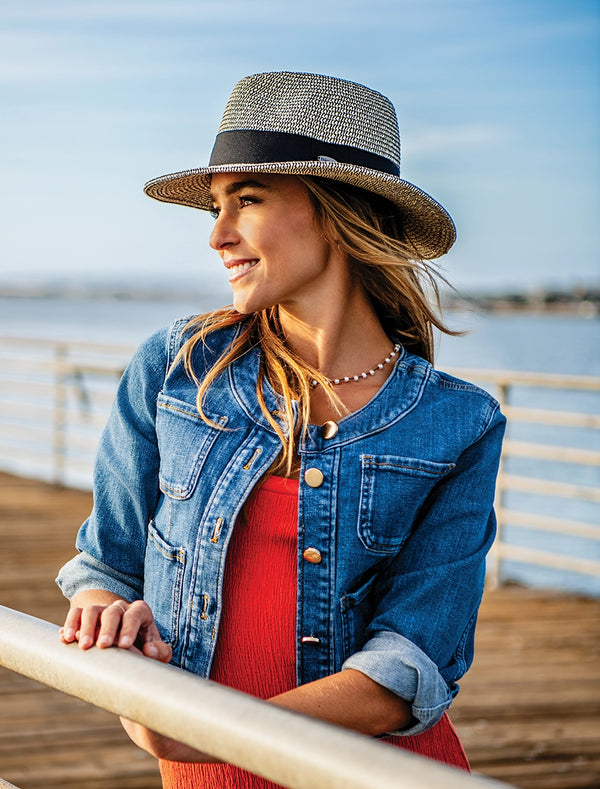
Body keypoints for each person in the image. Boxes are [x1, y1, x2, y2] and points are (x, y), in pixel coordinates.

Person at [57, 71, 506, 787]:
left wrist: (199, 734)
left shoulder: (459, 422)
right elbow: (104, 566)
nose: (217, 235)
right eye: (214, 205)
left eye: (248, 200)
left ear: (335, 212)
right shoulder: (175, 370)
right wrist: (109, 633)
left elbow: (408, 667)